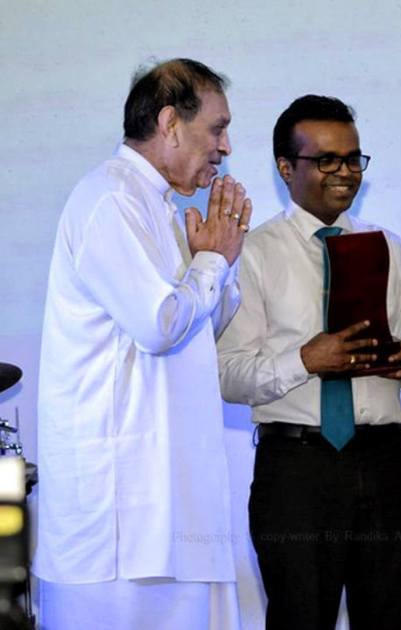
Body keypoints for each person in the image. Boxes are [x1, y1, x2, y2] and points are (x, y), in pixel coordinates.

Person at [35, 59, 252, 629]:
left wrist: (221, 261)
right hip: (122, 513)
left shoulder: (156, 204)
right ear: (170, 124)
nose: (225, 146)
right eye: (217, 128)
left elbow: (199, 329)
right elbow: (159, 324)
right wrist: (210, 260)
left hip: (169, 498)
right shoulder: (110, 198)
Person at [216, 94, 401, 630]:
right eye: (327, 161)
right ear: (286, 168)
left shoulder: (390, 246)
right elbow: (227, 374)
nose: (345, 173)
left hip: (387, 461)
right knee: (299, 617)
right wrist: (306, 360)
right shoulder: (252, 252)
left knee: (390, 619)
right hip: (298, 469)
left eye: (353, 158)